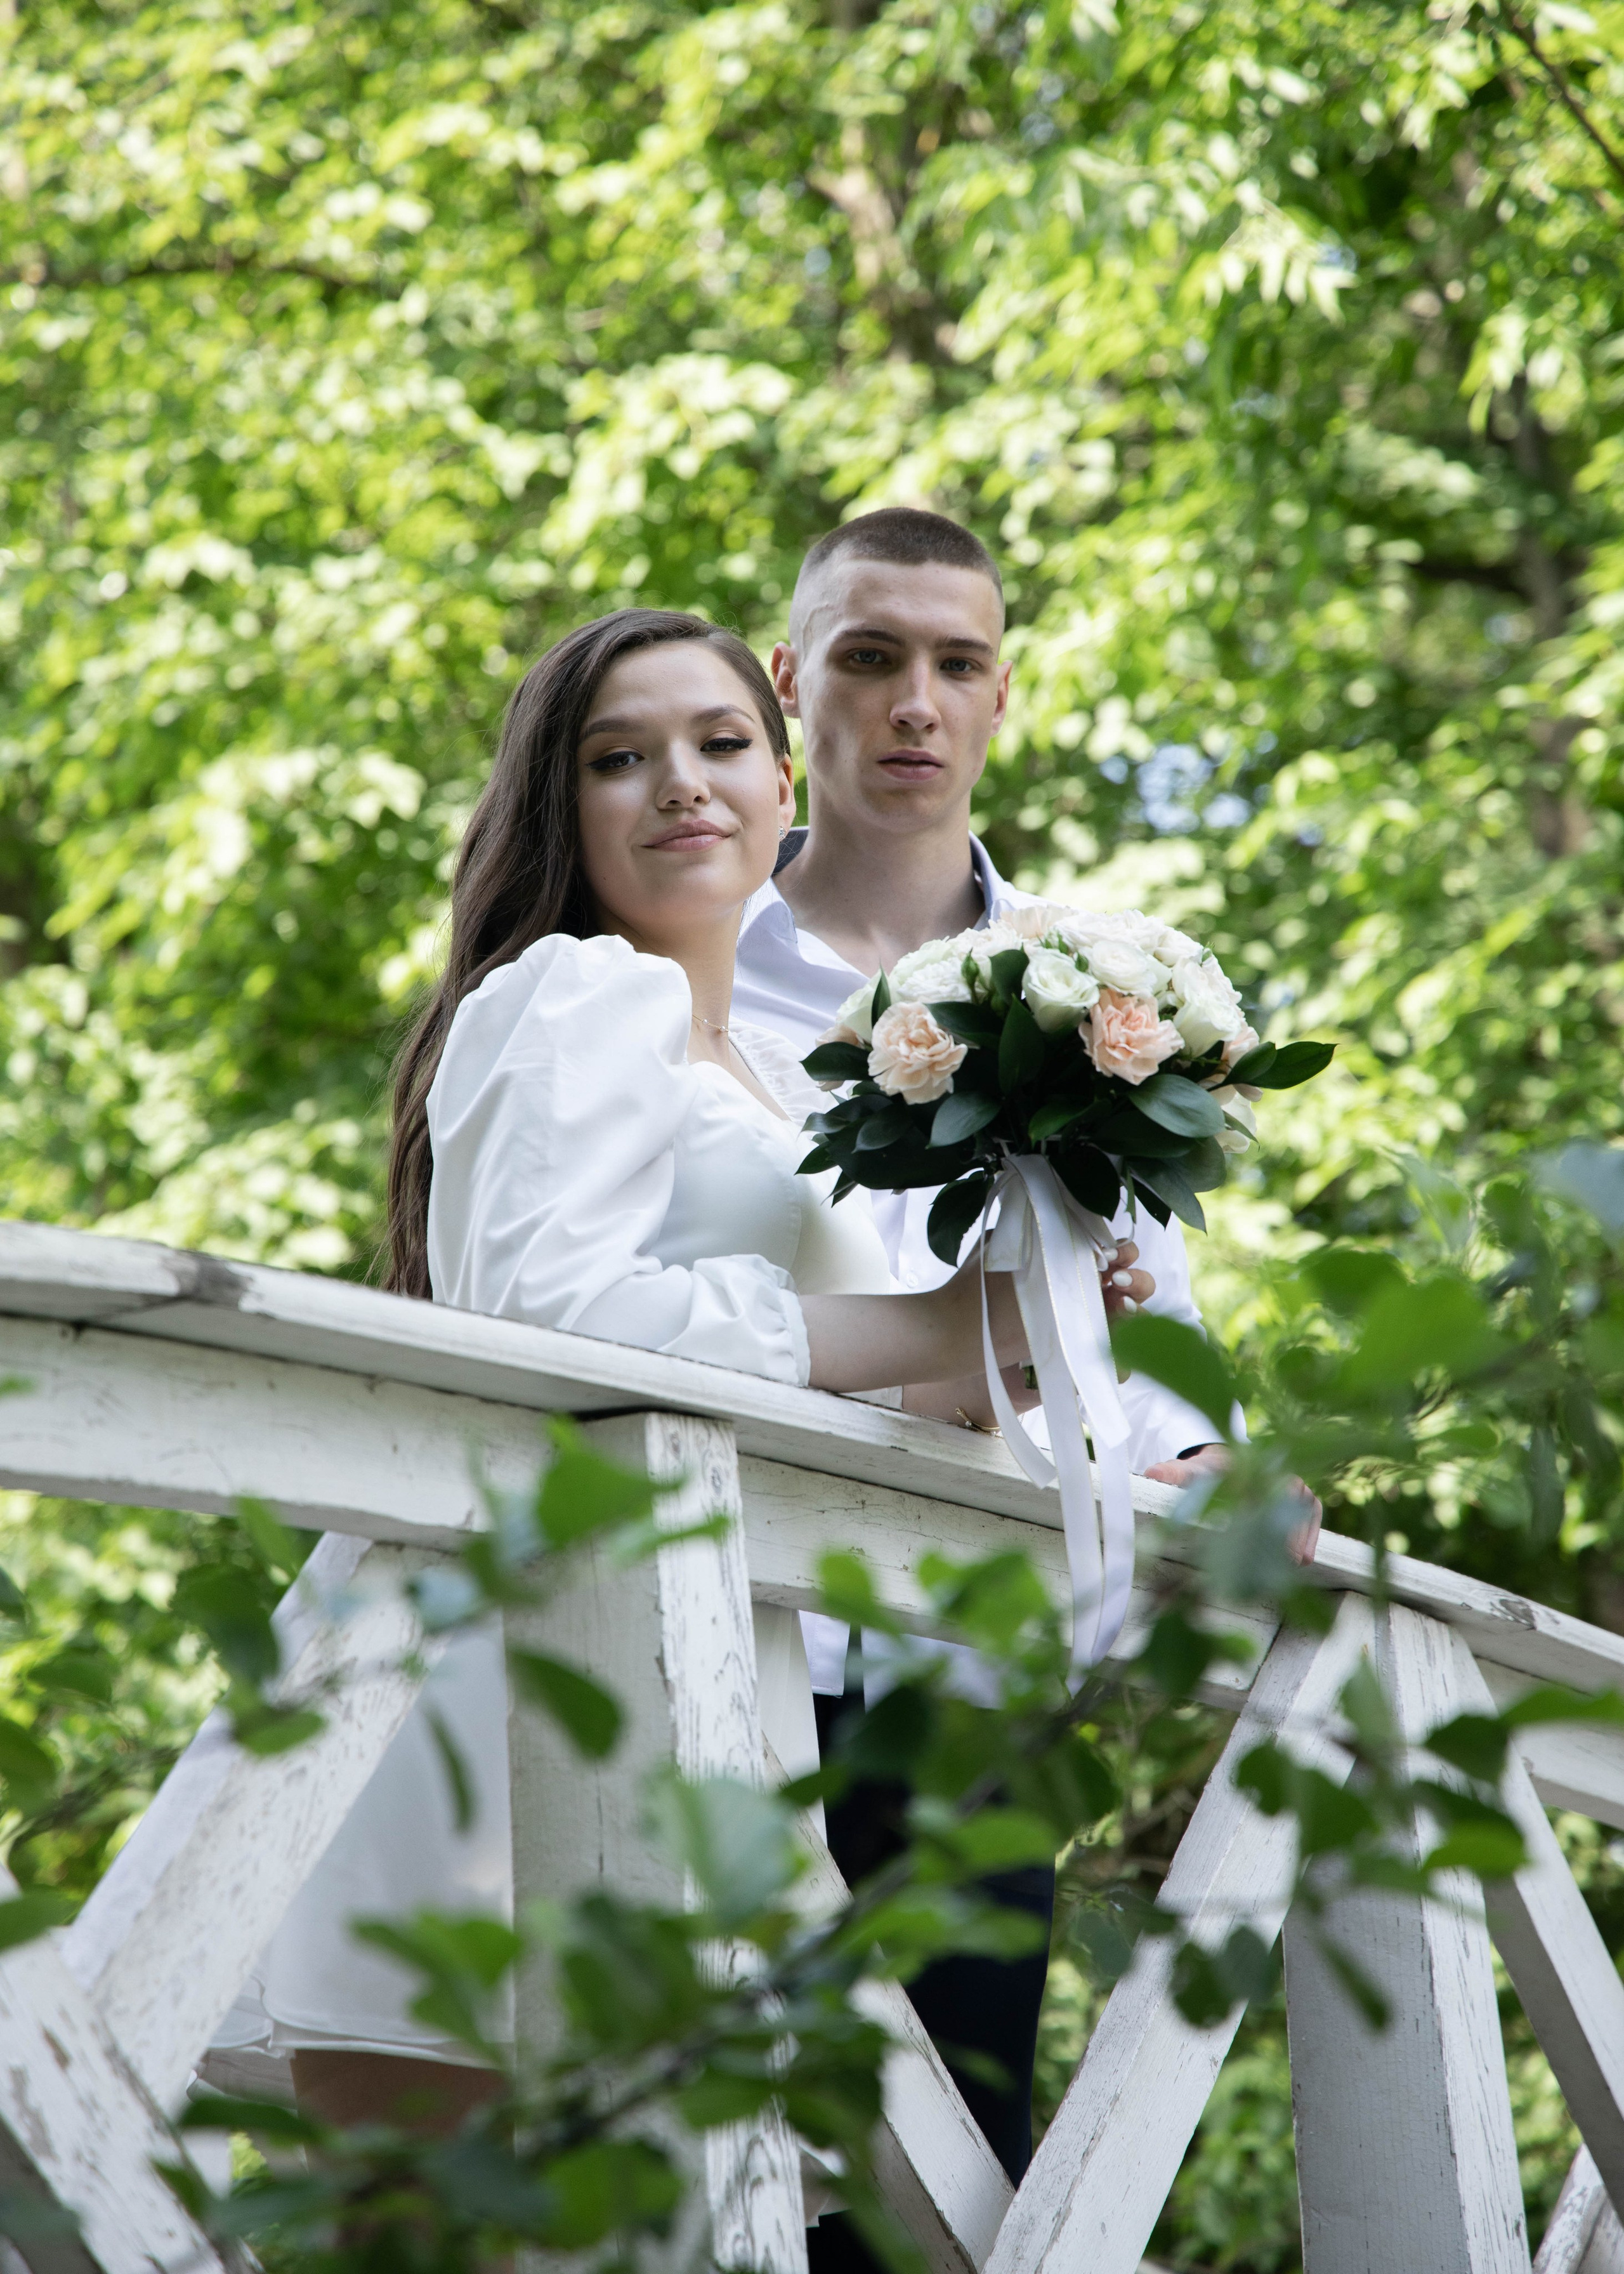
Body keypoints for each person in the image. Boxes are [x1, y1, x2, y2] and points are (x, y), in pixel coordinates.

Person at [209, 605, 1127, 2134]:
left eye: (717, 747)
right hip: (508, 1699)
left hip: (688, 1699)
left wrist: (1007, 1354)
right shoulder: (579, 989)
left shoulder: (775, 1076)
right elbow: (552, 1318)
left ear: (783, 789)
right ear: (558, 811)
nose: (680, 785)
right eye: (618, 758)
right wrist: (936, 1328)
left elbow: (793, 1375)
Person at [731, 508, 1318, 2235]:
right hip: (718, 1645)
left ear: (1000, 694)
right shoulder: (682, 963)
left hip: (974, 1683)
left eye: (956, 662)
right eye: (869, 656)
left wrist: (1215, 1469)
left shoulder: (1102, 1001)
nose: (915, 700)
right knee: (692, 2194)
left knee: (934, 2214)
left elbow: (1146, 1350)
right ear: (790, 684)